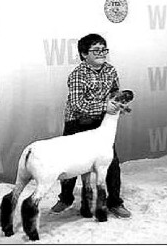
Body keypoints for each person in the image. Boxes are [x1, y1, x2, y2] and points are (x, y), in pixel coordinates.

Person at [50, 33, 131, 218]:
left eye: (104, 49)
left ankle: (115, 202)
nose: (101, 52)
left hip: (99, 124)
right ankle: (66, 198)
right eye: (96, 50)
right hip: (77, 123)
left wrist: (119, 102)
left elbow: (114, 92)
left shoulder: (111, 70)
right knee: (70, 163)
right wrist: (105, 106)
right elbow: (78, 106)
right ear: (84, 54)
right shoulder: (77, 75)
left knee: (112, 163)